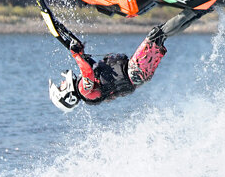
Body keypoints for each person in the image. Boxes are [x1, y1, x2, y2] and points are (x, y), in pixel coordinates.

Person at [47, 8, 204, 112]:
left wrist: (79, 52)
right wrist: (76, 55)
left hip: (138, 74)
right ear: (67, 94)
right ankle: (197, 8)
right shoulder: (84, 91)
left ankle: (201, 10)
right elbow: (87, 72)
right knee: (157, 35)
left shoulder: (91, 93)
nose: (62, 83)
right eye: (61, 86)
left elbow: (91, 67)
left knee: (160, 38)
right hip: (135, 71)